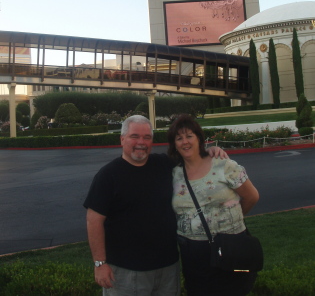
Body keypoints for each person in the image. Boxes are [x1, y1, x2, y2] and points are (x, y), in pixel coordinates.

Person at [84, 114, 227, 296]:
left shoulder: (165, 165)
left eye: (147, 137)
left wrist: (211, 151)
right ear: (122, 139)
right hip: (126, 272)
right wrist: (99, 263)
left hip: (168, 269)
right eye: (134, 136)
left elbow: (193, 157)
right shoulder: (108, 176)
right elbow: (93, 221)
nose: (141, 142)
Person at [167, 114, 260, 296]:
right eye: (179, 138)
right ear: (174, 144)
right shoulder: (173, 173)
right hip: (193, 254)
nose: (185, 142)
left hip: (229, 247)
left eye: (189, 136)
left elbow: (252, 197)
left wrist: (230, 221)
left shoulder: (223, 165)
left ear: (199, 139)